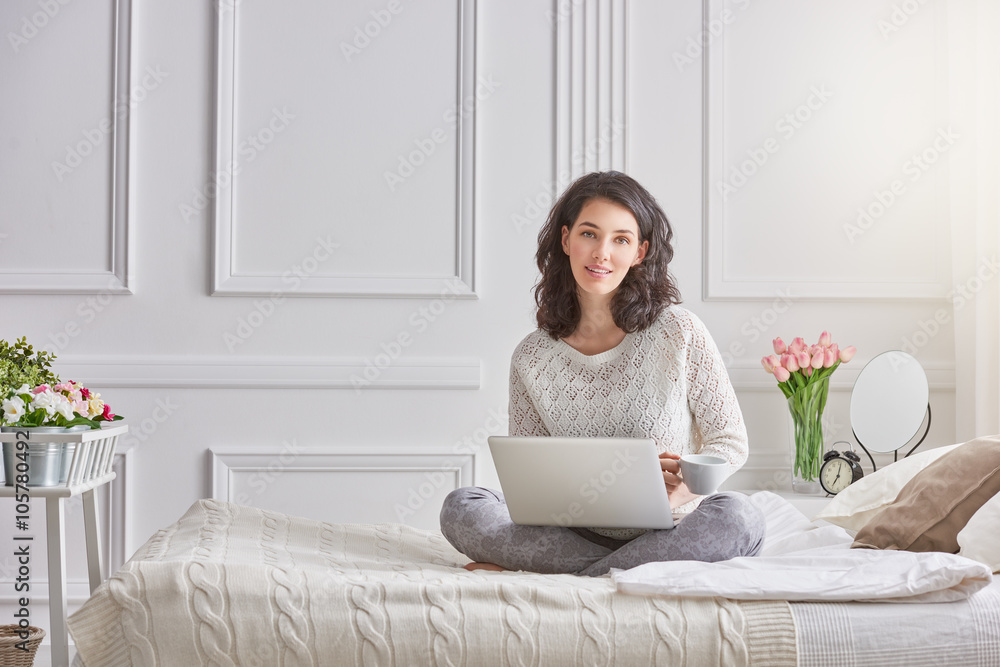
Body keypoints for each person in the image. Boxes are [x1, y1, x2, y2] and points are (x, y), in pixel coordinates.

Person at [439, 171, 764, 577]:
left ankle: (574, 577)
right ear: (565, 239)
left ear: (640, 252)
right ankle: (612, 571)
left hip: (671, 529)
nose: (602, 254)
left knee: (739, 517)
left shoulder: (678, 331)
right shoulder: (532, 356)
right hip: (572, 535)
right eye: (589, 234)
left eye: (621, 240)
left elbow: (729, 440)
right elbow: (532, 474)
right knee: (461, 507)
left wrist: (684, 486)